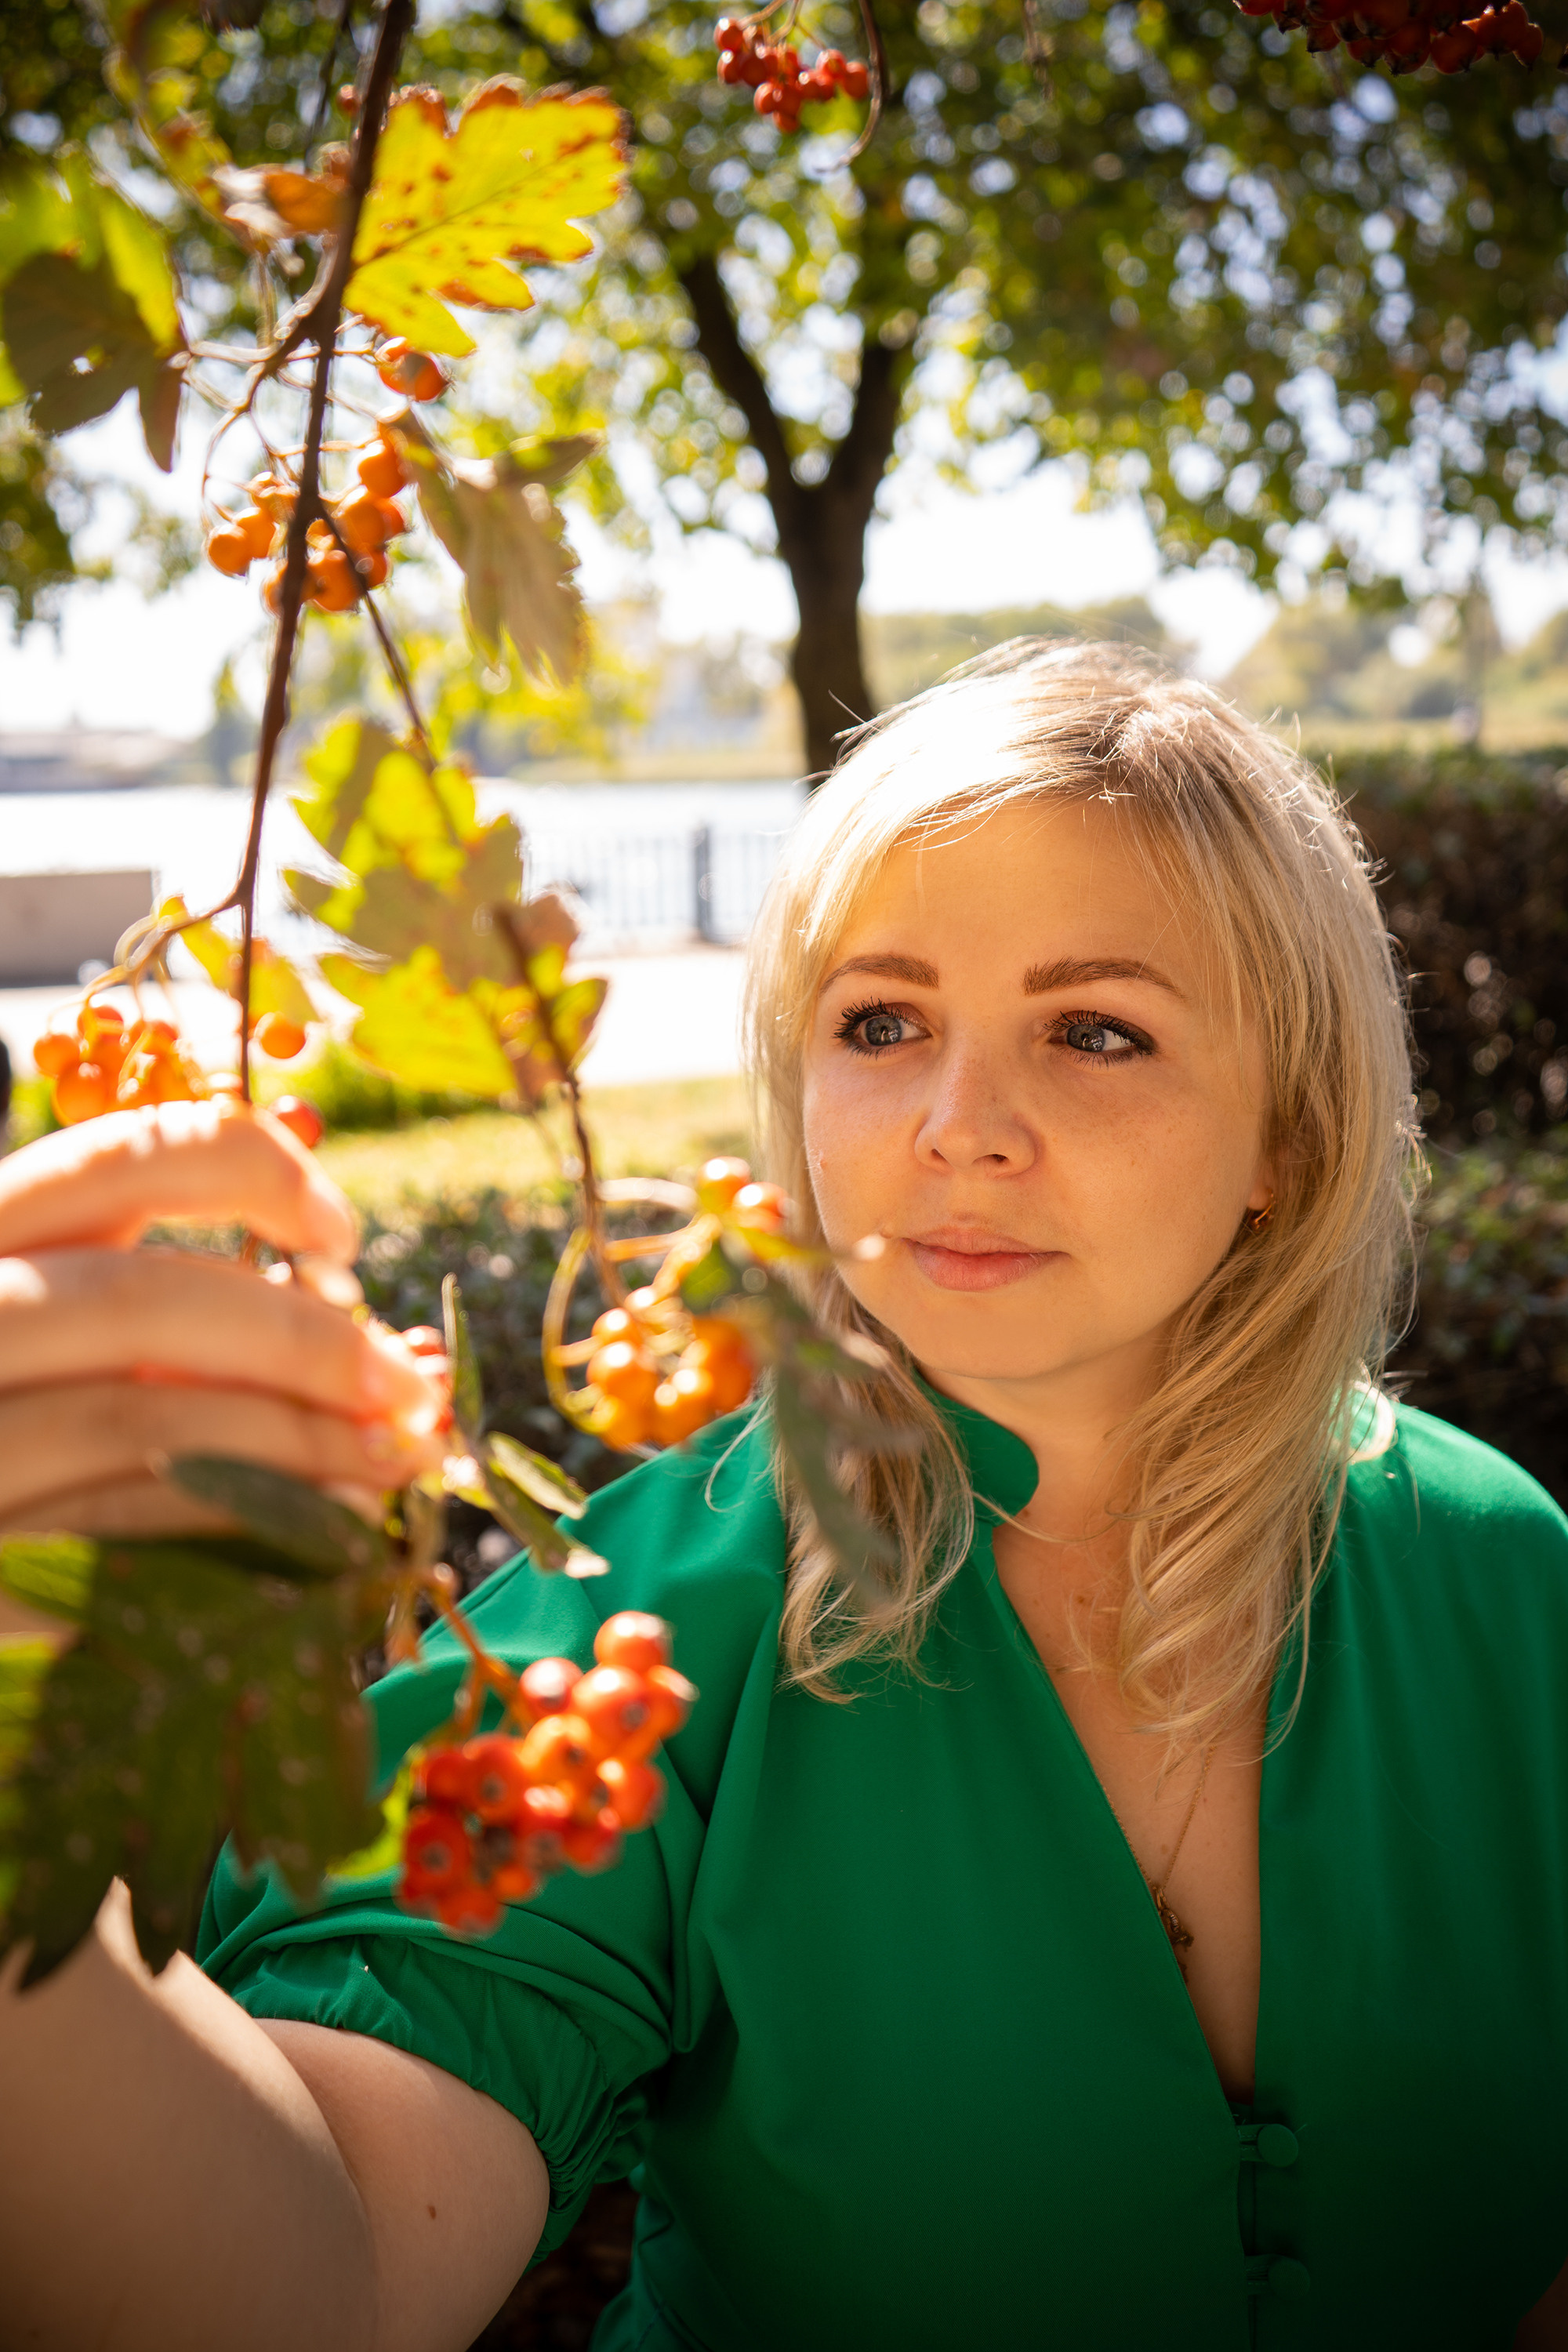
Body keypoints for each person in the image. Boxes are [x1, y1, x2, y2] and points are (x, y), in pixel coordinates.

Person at [2, 640, 1566, 2352]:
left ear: (1288, 1129)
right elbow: (321, 2274)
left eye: (1096, 1030)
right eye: (879, 1021)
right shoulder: (623, 1646)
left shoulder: (1499, 1577)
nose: (960, 1126)